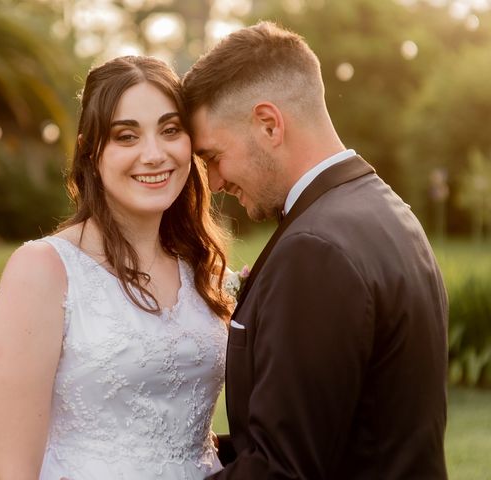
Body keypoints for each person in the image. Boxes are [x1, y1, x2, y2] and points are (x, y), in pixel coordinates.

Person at [183, 21, 448, 479]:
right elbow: (335, 432)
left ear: (268, 125)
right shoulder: (386, 209)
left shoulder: (315, 250)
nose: (215, 182)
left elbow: (281, 469)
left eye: (212, 157)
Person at [0, 55, 232, 480]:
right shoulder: (43, 270)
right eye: (126, 136)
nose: (153, 154)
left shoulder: (202, 268)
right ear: (89, 150)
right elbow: (11, 472)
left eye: (170, 130)